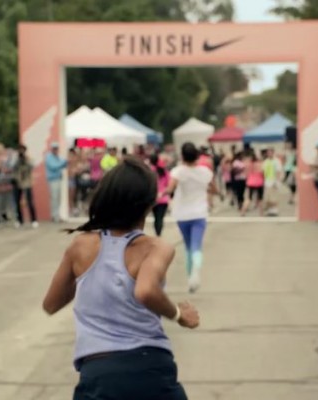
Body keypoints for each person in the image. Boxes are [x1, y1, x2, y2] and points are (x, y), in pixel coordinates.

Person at [42, 157, 199, 400]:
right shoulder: (156, 247)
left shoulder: (81, 246)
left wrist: (89, 275)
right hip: (151, 369)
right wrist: (179, 314)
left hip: (97, 373)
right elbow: (145, 290)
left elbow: (50, 304)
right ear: (148, 206)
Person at [165, 142, 215, 293]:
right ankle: (195, 274)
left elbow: (170, 188)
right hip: (199, 213)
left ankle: (190, 277)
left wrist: (161, 193)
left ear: (182, 156)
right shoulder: (205, 171)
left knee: (187, 247)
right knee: (196, 246)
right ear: (197, 156)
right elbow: (213, 188)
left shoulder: (178, 171)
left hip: (182, 214)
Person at [13, 144, 38, 228]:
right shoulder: (15, 159)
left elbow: (32, 166)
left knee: (30, 201)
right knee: (17, 202)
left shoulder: (28, 158)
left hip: (26, 182)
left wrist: (26, 160)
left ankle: (33, 220)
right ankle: (19, 220)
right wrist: (17, 160)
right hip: (18, 182)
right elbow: (11, 166)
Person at [45, 142, 68, 222]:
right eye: (54, 148)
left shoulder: (57, 157)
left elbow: (64, 165)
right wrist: (64, 162)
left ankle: (57, 214)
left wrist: (66, 162)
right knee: (54, 198)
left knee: (58, 198)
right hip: (53, 179)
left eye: (56, 148)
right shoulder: (49, 157)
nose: (55, 150)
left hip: (58, 178)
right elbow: (54, 166)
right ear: (52, 149)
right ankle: (54, 215)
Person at [149, 154, 169, 236]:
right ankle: (159, 234)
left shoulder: (149, 171)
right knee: (160, 218)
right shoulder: (164, 171)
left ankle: (157, 233)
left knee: (156, 218)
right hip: (164, 198)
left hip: (153, 198)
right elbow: (169, 183)